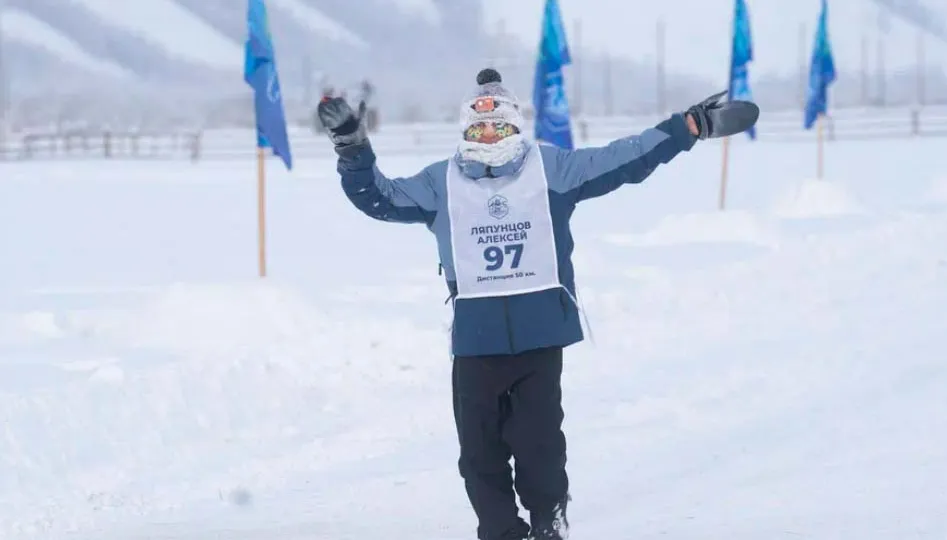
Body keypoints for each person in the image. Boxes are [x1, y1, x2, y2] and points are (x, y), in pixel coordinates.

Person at [315, 68, 757, 540]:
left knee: (539, 447)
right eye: (478, 128)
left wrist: (687, 128)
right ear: (465, 131)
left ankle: (548, 521)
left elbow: (624, 159)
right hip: (476, 342)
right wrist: (351, 145)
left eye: (499, 127)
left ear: (514, 127)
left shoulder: (551, 170)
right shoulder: (440, 183)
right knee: (479, 455)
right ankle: (503, 532)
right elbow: (377, 198)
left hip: (539, 337)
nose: (489, 135)